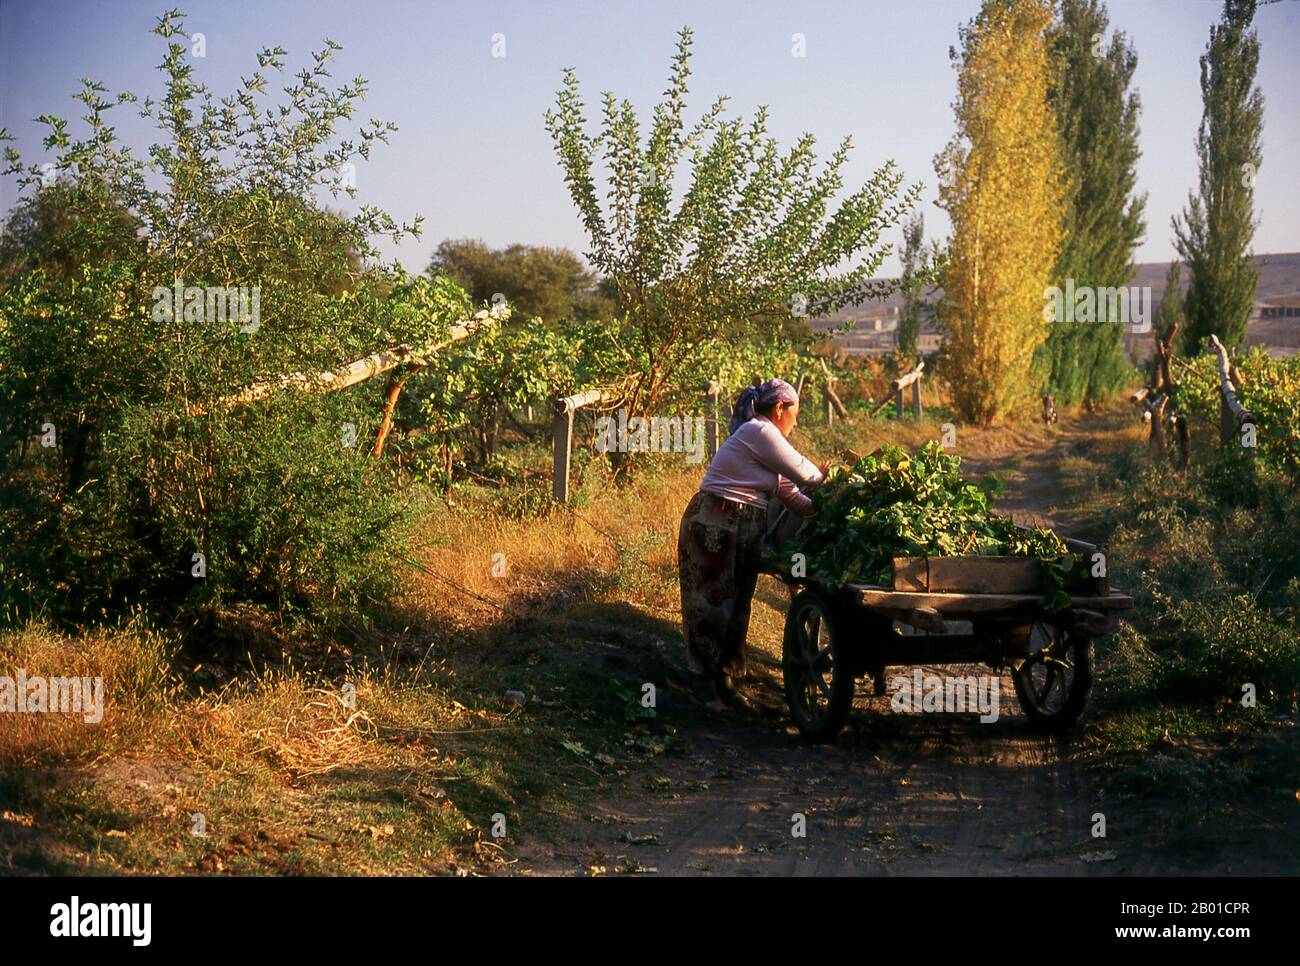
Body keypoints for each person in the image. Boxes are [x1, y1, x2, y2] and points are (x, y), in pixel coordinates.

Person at [677, 377, 829, 710]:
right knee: (712, 602)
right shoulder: (759, 432)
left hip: (744, 525)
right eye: (795, 414)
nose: (796, 422)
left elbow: (792, 495)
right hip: (715, 521)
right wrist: (828, 479)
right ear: (779, 409)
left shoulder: (768, 443)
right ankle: (700, 680)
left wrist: (823, 508)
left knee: (738, 602)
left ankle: (725, 679)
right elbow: (806, 474)